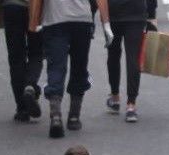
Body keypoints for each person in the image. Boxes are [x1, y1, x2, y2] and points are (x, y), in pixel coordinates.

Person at [29, 0, 112, 138]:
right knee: (79, 66)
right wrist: (106, 24)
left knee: (56, 66)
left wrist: (34, 20)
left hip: (55, 19)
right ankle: (74, 115)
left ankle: (55, 115)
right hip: (81, 19)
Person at [105, 0, 155, 122]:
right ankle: (131, 105)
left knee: (113, 55)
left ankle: (115, 97)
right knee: (133, 57)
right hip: (136, 12)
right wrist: (151, 15)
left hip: (112, 12)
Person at [2, 0, 44, 122]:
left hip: (11, 6)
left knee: (16, 58)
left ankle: (22, 109)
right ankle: (30, 85)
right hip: (36, 7)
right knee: (36, 53)